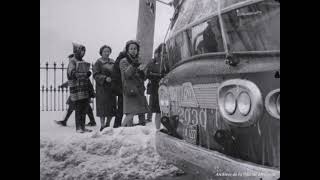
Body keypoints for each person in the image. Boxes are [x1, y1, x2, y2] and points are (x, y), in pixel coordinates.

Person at [119, 40, 149, 127]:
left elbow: (144, 77)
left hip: (139, 89)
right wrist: (133, 65)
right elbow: (126, 75)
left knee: (142, 112)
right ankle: (121, 130)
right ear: (127, 50)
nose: (133, 50)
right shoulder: (123, 61)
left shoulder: (139, 60)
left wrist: (143, 73)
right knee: (130, 112)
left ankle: (141, 132)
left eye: (135, 48)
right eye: (131, 48)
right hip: (130, 89)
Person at [67, 43, 93, 133]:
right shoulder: (72, 61)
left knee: (84, 108)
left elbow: (84, 73)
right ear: (76, 51)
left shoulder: (82, 61)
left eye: (84, 51)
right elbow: (72, 73)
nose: (83, 53)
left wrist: (87, 73)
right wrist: (84, 74)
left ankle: (83, 126)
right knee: (78, 108)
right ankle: (78, 127)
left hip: (84, 87)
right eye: (81, 51)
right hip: (76, 88)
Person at [93, 45, 116, 131]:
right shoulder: (98, 62)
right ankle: (102, 125)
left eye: (108, 51)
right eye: (104, 51)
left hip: (111, 88)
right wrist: (104, 78)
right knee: (102, 106)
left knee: (111, 106)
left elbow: (116, 72)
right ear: (101, 53)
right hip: (102, 88)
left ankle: (108, 124)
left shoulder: (113, 62)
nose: (106, 53)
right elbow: (95, 74)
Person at [146, 44, 164, 125]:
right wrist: (158, 76)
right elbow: (148, 74)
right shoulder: (152, 62)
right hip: (154, 87)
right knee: (155, 106)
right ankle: (149, 118)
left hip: (164, 87)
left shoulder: (168, 61)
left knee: (161, 108)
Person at [112, 50, 127, 128]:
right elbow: (118, 75)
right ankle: (118, 125)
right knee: (122, 107)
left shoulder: (119, 59)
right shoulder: (123, 60)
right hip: (122, 86)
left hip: (120, 86)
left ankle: (117, 124)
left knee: (121, 107)